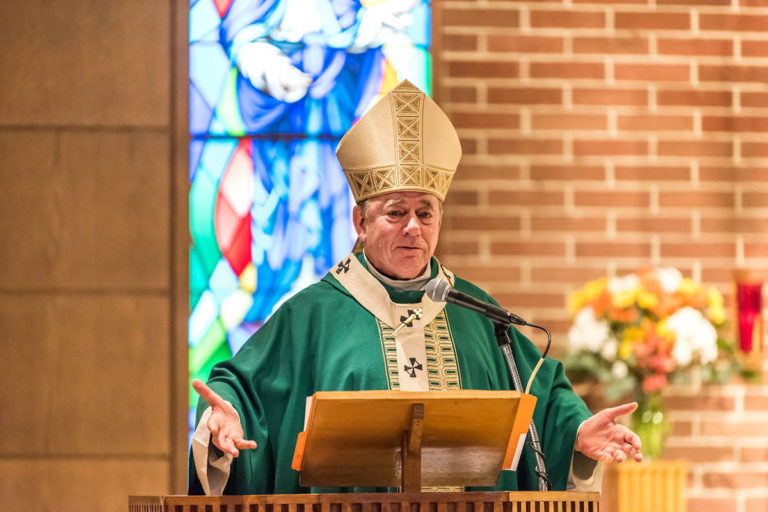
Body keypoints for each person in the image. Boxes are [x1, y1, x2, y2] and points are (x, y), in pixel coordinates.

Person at [189, 80, 643, 496]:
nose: (412, 227)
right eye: (395, 212)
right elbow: (243, 387)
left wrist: (578, 433)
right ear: (359, 223)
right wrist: (223, 418)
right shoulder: (313, 314)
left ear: (439, 221)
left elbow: (543, 399)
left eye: (425, 213)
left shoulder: (479, 313)